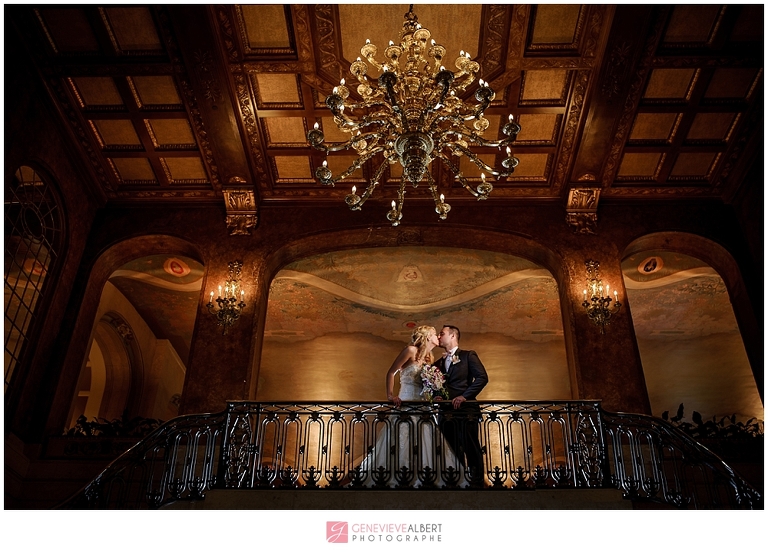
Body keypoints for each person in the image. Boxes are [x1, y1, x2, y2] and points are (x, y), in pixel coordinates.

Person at [355, 325, 465, 488]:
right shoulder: (410, 350)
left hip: (422, 407)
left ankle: (425, 475)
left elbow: (427, 385)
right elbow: (391, 372)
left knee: (424, 440)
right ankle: (401, 476)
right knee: (403, 439)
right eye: (436, 334)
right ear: (428, 337)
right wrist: (391, 396)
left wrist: (435, 394)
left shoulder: (430, 358)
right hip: (405, 402)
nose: (438, 337)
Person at [435, 324, 489, 487]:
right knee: (451, 450)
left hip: (467, 411)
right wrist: (435, 395)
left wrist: (464, 397)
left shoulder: (467, 356)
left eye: (442, 333)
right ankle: (457, 483)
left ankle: (477, 484)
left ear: (452, 336)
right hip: (446, 412)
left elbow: (482, 378)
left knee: (470, 446)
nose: (439, 336)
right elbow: (436, 386)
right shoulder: (438, 363)